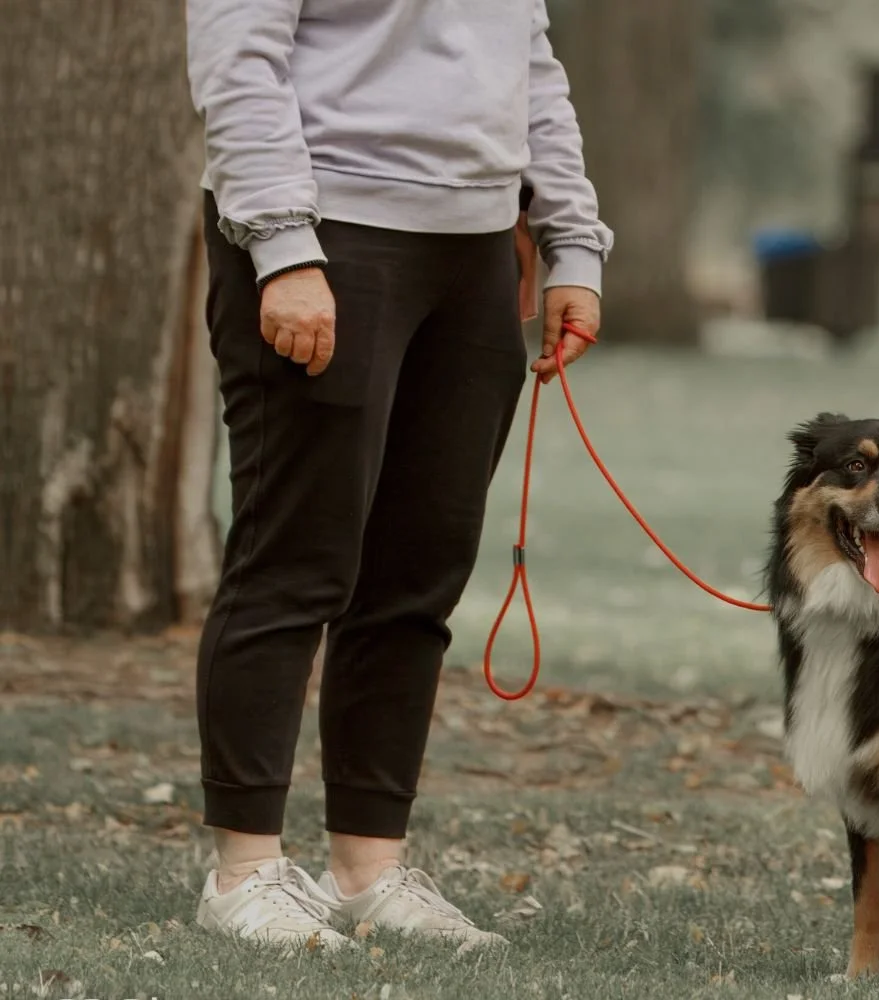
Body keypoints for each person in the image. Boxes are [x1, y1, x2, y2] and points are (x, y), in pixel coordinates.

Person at [184, 0, 611, 951]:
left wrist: (572, 237)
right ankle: (244, 871)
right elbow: (238, 58)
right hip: (327, 234)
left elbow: (531, 64)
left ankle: (369, 870)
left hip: (472, 255)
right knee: (293, 561)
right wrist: (283, 245)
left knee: (417, 579)